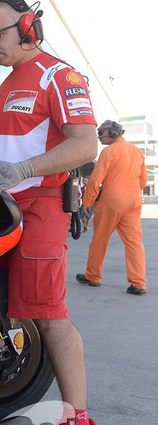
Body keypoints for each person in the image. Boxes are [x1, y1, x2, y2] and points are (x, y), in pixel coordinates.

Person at [0, 0, 102, 425]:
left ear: (28, 27)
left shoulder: (59, 75)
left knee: (49, 311)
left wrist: (23, 169)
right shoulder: (3, 88)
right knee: (2, 299)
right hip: (1, 208)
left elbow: (85, 145)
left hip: (41, 207)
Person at [76, 120, 147, 295]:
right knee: (134, 242)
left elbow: (95, 179)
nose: (99, 137)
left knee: (100, 239)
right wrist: (131, 192)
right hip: (133, 201)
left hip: (111, 201)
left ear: (114, 132)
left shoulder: (109, 151)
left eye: (101, 133)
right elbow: (143, 179)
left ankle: (93, 276)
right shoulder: (137, 151)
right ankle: (138, 283)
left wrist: (87, 202)